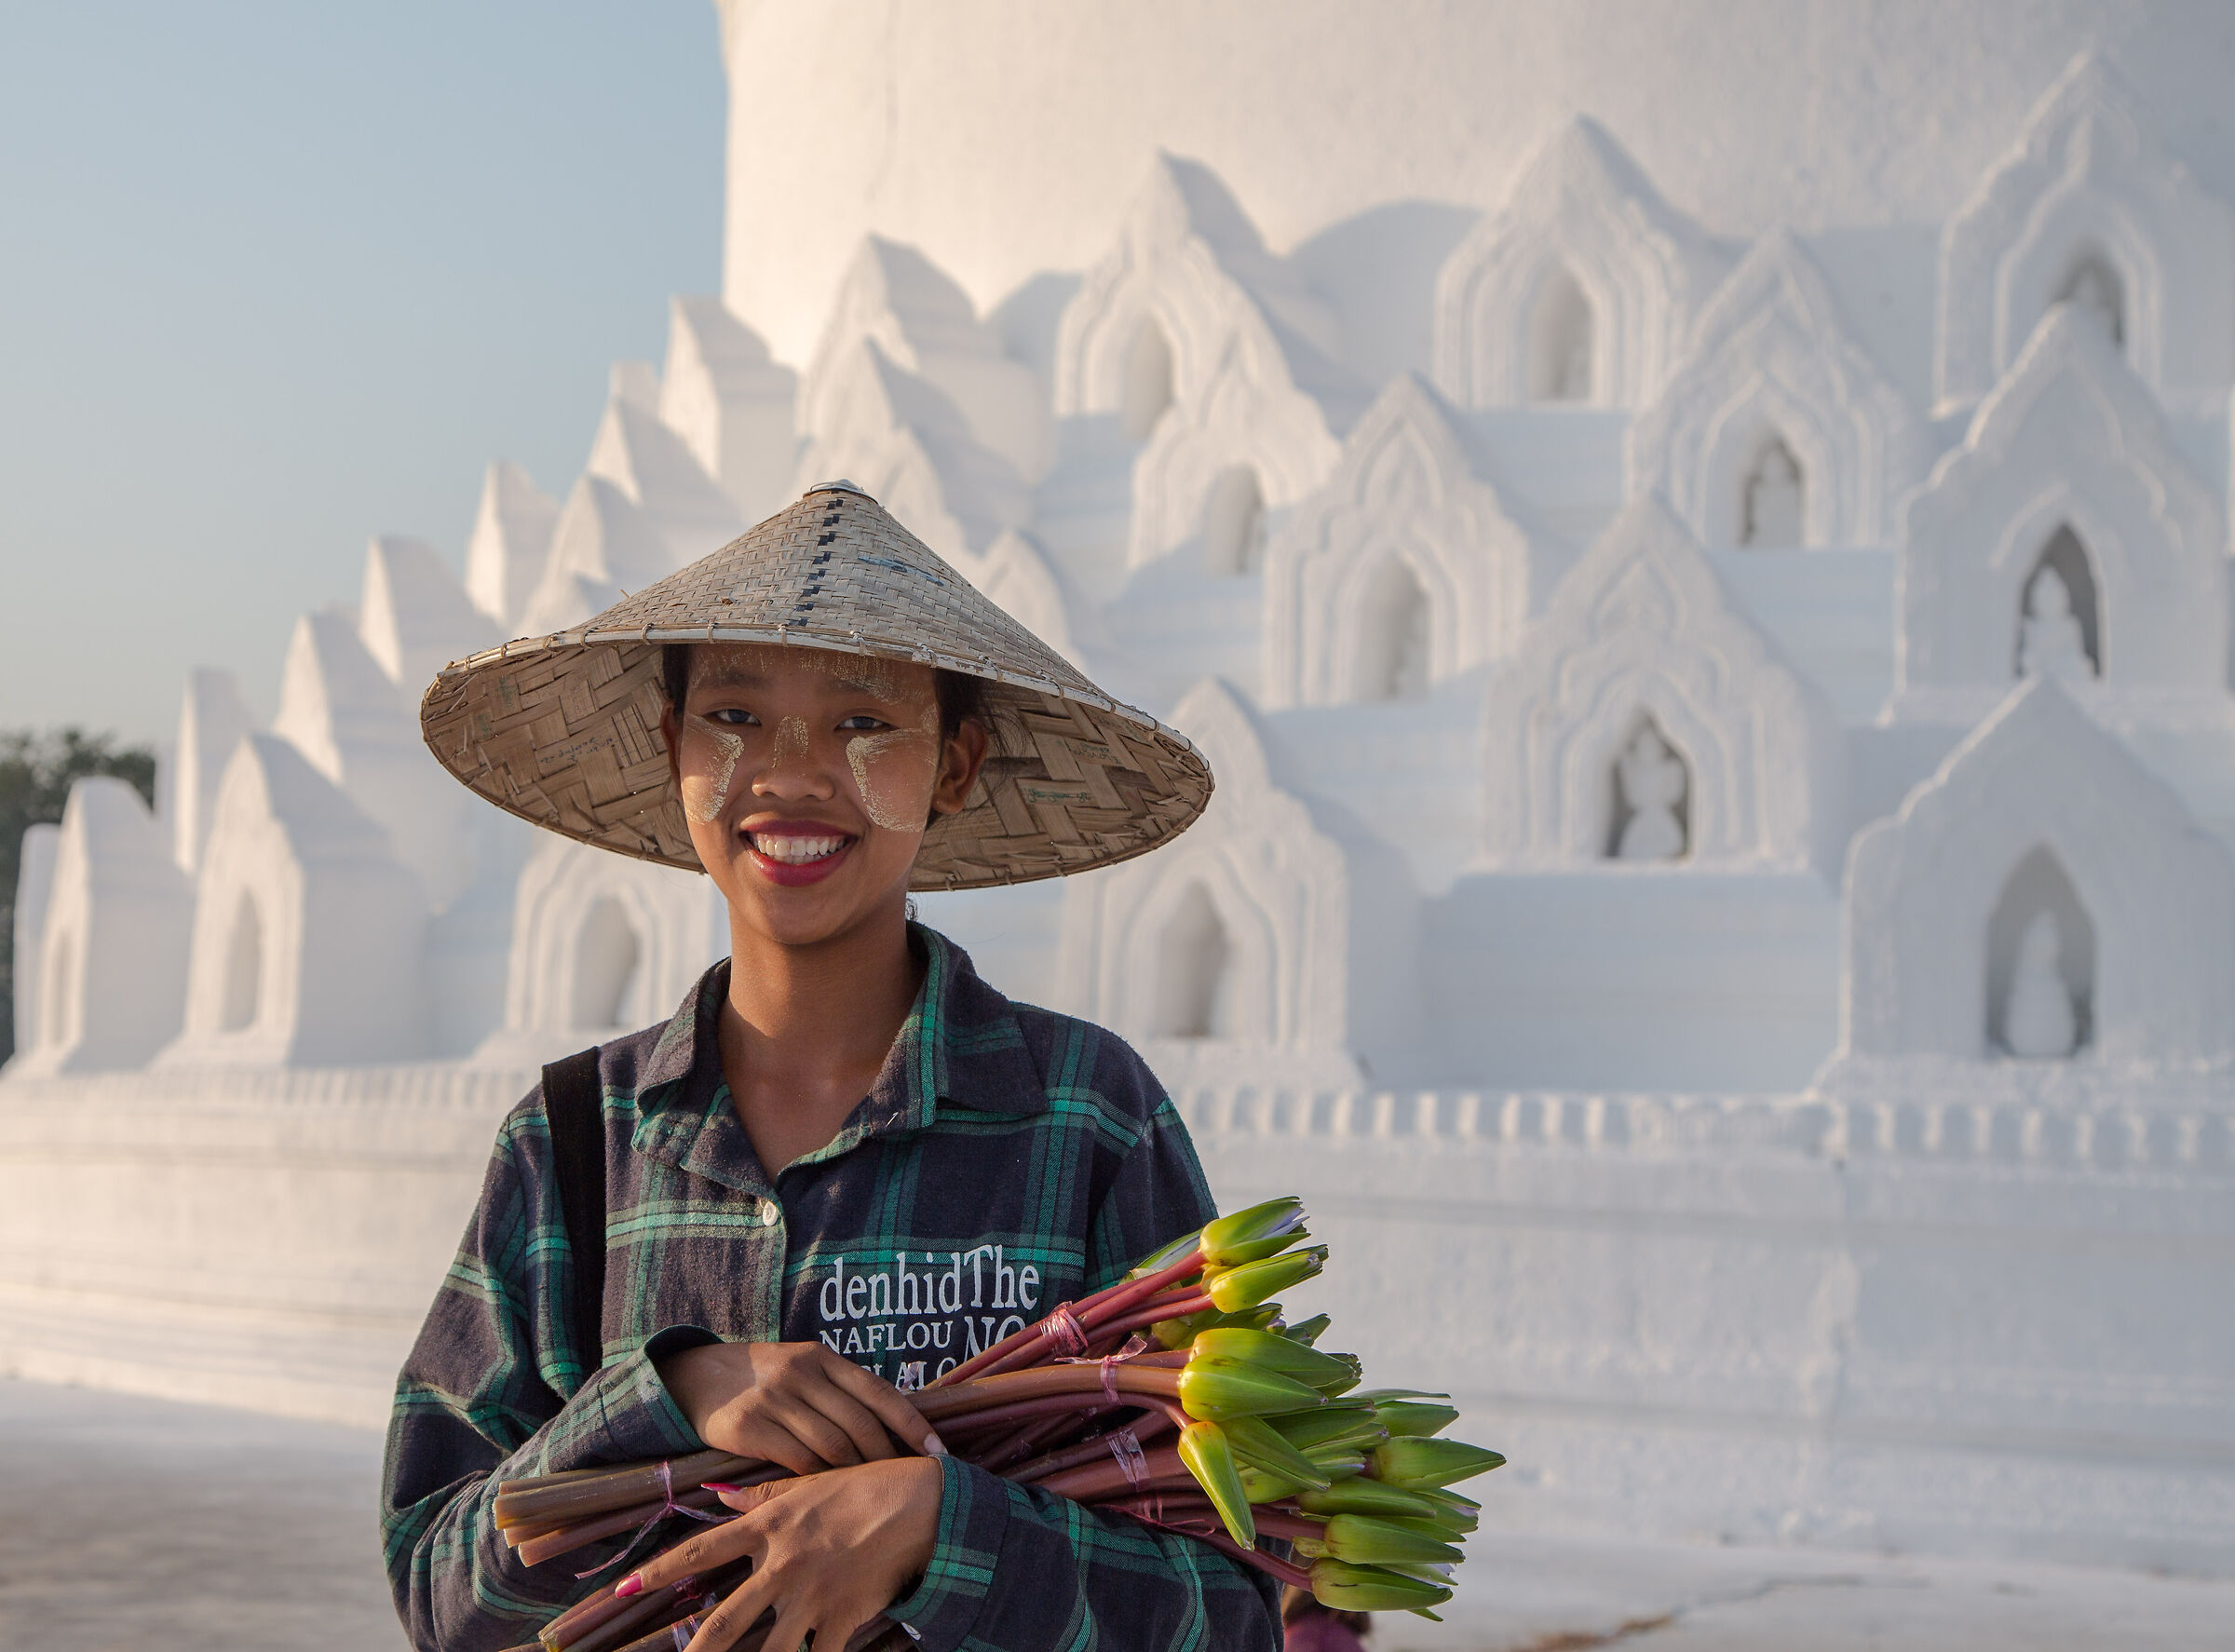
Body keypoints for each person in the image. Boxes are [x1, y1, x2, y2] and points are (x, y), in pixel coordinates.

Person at [385, 482, 1273, 1652]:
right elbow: (443, 1591)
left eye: (862, 723)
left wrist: (938, 1525)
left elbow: (1232, 1614)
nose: (791, 772)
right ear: (673, 749)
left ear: (954, 768)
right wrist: (675, 1392)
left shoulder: (1086, 1118)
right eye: (735, 716)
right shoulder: (574, 1141)